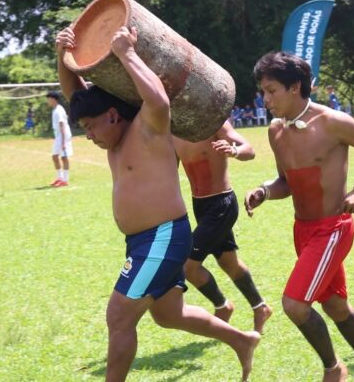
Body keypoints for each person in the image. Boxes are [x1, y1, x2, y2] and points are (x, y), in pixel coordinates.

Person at [56, 25, 260, 382]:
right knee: (168, 315)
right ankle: (242, 340)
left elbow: (159, 100)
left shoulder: (147, 128)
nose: (88, 135)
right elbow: (77, 95)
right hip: (143, 242)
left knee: (119, 317)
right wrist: (64, 56)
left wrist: (126, 52)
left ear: (113, 115)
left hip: (163, 237)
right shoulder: (114, 140)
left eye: (90, 126)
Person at [244, 52, 354, 382]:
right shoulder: (275, 131)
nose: (265, 100)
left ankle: (334, 369)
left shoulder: (332, 122)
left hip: (333, 228)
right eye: (264, 92)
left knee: (295, 304)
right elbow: (286, 181)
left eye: (271, 91)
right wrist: (264, 191)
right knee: (336, 306)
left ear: (295, 86)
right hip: (303, 231)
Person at [173, 120, 274, 333]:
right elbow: (168, 169)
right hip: (200, 205)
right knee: (229, 262)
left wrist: (233, 150)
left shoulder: (213, 122)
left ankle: (222, 306)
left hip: (221, 204)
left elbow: (250, 150)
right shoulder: (173, 128)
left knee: (187, 266)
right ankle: (260, 307)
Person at [47, 91, 71, 187]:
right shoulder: (55, 109)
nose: (47, 101)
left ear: (53, 99)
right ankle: (59, 178)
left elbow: (62, 125)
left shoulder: (59, 110)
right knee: (54, 156)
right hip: (58, 136)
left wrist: (63, 141)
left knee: (64, 157)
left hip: (63, 135)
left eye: (48, 99)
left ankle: (65, 180)